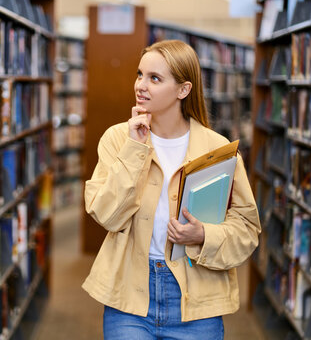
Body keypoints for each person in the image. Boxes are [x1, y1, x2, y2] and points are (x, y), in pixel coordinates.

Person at [82, 39, 261, 339]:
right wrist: (135, 150)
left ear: (183, 90)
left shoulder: (217, 150)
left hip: (196, 301)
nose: (141, 85)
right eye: (140, 74)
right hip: (130, 296)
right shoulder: (118, 139)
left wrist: (204, 235)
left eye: (154, 78)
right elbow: (105, 214)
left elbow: (247, 229)